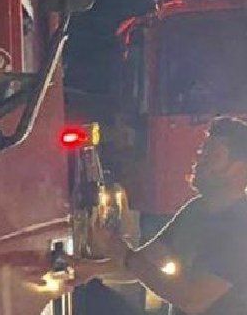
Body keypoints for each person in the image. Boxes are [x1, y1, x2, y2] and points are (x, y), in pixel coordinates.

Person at [76, 116, 247, 315]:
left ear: (240, 169)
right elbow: (145, 263)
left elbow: (192, 300)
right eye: (202, 152)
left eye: (213, 155)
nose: (200, 160)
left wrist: (124, 254)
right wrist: (89, 270)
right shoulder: (196, 210)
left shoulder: (240, 228)